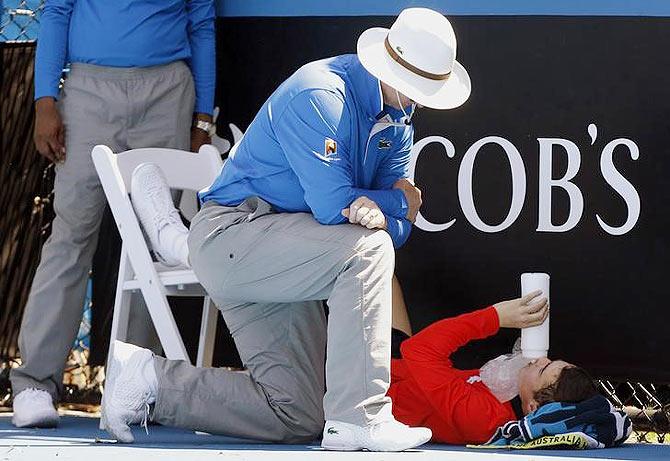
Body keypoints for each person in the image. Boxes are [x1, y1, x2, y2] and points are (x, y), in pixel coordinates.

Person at [100, 8, 472, 452]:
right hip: (234, 234)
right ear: (390, 68)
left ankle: (145, 381)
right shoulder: (320, 93)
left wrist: (386, 212)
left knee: (298, 413)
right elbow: (337, 209)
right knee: (367, 250)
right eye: (419, 88)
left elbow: (396, 232)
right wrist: (402, 202)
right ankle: (362, 416)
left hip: (280, 256)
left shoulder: (401, 118)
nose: (421, 102)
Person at [11, 0, 216, 429]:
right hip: (88, 90)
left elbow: (201, 24)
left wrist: (202, 121)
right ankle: (33, 383)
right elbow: (57, 12)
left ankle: (135, 388)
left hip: (167, 94)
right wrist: (44, 99)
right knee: (71, 235)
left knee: (150, 246)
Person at [388, 289, 600, 444]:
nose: (540, 360)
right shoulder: (510, 390)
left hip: (372, 389)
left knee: (373, 258)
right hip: (398, 369)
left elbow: (419, 350)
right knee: (386, 267)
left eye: (543, 369)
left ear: (532, 407)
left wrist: (494, 317)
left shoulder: (484, 419)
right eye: (550, 360)